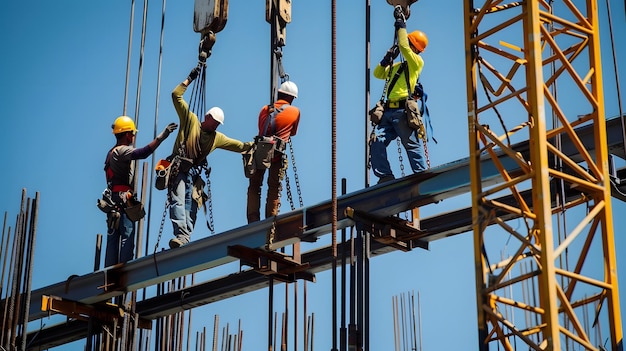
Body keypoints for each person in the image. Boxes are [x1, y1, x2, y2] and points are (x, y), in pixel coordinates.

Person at [168, 64, 254, 248]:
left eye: (217, 125)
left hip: (192, 173)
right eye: (214, 123)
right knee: (178, 200)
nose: (215, 127)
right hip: (179, 169)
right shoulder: (190, 120)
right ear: (206, 117)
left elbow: (238, 146)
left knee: (191, 205)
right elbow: (176, 96)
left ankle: (185, 237)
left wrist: (255, 144)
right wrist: (189, 79)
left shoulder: (216, 138)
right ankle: (181, 235)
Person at [103, 116, 177, 266]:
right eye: (132, 133)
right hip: (122, 198)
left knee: (113, 236)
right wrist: (162, 137)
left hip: (113, 199)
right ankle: (124, 270)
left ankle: (109, 272)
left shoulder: (111, 152)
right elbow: (143, 153)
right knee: (127, 236)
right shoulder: (121, 151)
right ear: (127, 134)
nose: (134, 136)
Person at [370, 7, 428, 184]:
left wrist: (401, 25)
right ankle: (385, 176)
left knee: (410, 144)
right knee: (376, 141)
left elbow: (403, 46)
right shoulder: (397, 67)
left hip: (403, 111)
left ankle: (421, 176)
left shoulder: (417, 62)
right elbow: (378, 74)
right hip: (388, 111)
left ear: (413, 47)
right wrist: (386, 59)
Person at [246, 81, 301, 223]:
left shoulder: (265, 109)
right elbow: (293, 133)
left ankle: (253, 220)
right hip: (277, 154)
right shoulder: (295, 112)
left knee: (254, 186)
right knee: (274, 187)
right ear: (291, 98)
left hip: (261, 151)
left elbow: (261, 127)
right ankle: (271, 219)